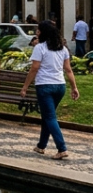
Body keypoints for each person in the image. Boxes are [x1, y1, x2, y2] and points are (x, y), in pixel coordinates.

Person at [20, 20, 78, 160]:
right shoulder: (62, 49)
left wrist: (25, 87)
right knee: (47, 116)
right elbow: (68, 70)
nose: (36, 32)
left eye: (38, 30)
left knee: (50, 117)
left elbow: (34, 68)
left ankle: (62, 148)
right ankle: (41, 146)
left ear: (43, 32)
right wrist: (74, 87)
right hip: (60, 86)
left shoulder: (40, 48)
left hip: (44, 86)